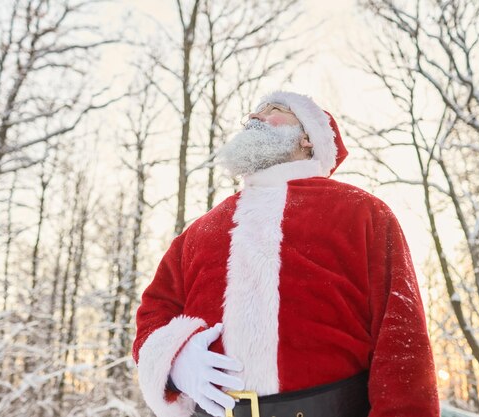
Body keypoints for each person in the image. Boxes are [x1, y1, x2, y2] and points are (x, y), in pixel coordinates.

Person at [132, 91, 439, 417]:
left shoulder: (365, 214)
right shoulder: (199, 232)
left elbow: (402, 340)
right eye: (253, 113)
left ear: (308, 138)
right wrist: (175, 361)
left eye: (274, 110)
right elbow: (153, 314)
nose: (254, 118)